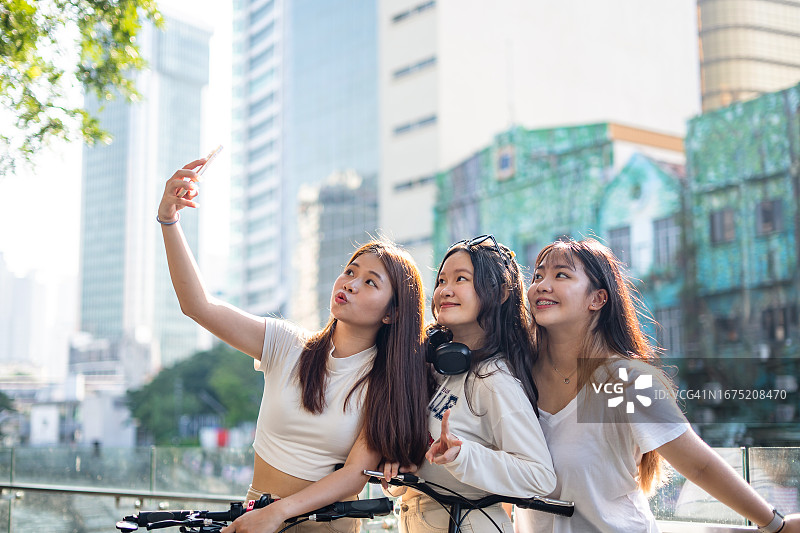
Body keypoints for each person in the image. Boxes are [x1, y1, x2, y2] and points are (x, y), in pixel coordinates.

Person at [156, 159, 430, 533]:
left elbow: (353, 476)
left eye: (370, 282)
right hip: (257, 515)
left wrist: (278, 513)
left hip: (325, 525)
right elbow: (199, 306)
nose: (349, 283)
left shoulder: (385, 380)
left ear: (393, 313)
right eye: (350, 271)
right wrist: (169, 221)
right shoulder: (288, 345)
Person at [515, 237, 800, 533]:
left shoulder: (620, 381)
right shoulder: (519, 376)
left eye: (561, 274)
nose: (541, 285)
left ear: (597, 299)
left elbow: (698, 465)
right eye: (537, 275)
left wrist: (777, 526)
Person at [384, 234, 556, 533]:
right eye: (440, 281)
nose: (445, 291)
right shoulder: (436, 369)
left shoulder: (492, 380)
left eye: (460, 279)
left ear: (500, 292)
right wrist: (398, 474)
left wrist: (463, 456)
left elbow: (539, 476)